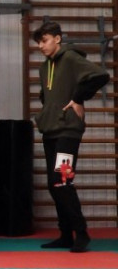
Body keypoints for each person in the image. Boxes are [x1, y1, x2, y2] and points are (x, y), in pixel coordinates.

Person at [33, 20, 109, 253]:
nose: (41, 46)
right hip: (51, 130)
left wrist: (78, 98)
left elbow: (100, 76)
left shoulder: (71, 58)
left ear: (57, 39)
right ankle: (65, 234)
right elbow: (47, 95)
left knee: (62, 180)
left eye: (44, 41)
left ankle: (81, 233)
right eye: (38, 42)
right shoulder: (44, 67)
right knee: (54, 183)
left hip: (68, 131)